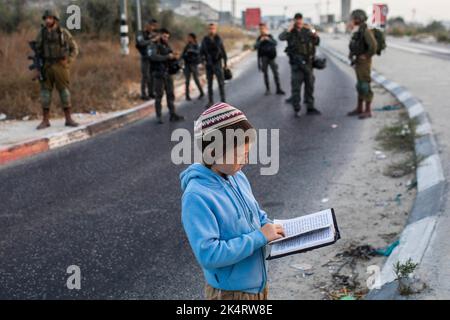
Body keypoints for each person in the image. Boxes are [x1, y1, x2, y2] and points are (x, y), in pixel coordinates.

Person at [181, 102, 285, 300]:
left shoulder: (236, 176)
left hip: (257, 286)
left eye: (248, 153)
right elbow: (209, 254)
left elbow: (255, 213)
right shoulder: (197, 196)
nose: (245, 160)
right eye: (240, 155)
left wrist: (270, 226)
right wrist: (260, 237)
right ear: (213, 153)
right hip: (230, 293)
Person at [34, 9, 79, 130]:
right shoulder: (42, 33)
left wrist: (68, 60)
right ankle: (45, 120)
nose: (47, 20)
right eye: (46, 18)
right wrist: (37, 67)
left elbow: (74, 48)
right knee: (45, 93)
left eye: (50, 18)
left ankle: (68, 119)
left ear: (55, 19)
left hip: (60, 66)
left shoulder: (63, 33)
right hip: (47, 66)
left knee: (64, 92)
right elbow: (37, 52)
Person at [279, 13, 321, 117]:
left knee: (309, 86)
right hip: (297, 65)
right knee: (296, 87)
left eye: (300, 20)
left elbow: (317, 42)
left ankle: (310, 107)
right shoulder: (291, 32)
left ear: (302, 20)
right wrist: (289, 28)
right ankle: (296, 109)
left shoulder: (307, 31)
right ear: (294, 21)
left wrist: (314, 33)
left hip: (308, 63)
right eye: (297, 20)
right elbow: (281, 37)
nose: (299, 22)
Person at [149, 28, 184, 124]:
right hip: (158, 74)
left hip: (168, 73)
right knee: (159, 96)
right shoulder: (154, 45)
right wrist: (167, 57)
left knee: (170, 95)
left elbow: (170, 56)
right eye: (164, 36)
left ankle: (172, 114)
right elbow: (153, 57)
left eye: (167, 37)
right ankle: (158, 116)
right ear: (160, 35)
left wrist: (174, 57)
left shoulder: (166, 45)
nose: (166, 38)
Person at [348, 9, 378, 119]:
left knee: (364, 84)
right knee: (360, 85)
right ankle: (359, 108)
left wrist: (366, 55)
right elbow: (355, 44)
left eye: (354, 18)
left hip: (364, 62)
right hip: (358, 61)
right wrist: (351, 54)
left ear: (358, 19)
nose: (352, 20)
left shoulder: (365, 30)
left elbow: (373, 46)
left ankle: (368, 110)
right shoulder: (358, 30)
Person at [201, 24, 228, 108]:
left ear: (215, 29)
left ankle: (223, 100)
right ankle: (210, 101)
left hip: (217, 63)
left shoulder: (218, 39)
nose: (211, 30)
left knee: (221, 82)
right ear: (208, 30)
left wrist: (225, 63)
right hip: (209, 64)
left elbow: (223, 51)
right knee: (209, 83)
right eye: (210, 29)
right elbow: (201, 51)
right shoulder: (205, 40)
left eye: (213, 28)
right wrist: (202, 61)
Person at [254, 23, 285, 96]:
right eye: (261, 29)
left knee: (275, 73)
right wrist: (261, 41)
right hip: (264, 58)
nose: (262, 30)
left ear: (266, 29)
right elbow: (255, 47)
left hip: (271, 58)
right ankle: (267, 89)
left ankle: (278, 88)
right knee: (265, 74)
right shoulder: (259, 38)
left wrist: (268, 39)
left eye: (263, 28)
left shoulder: (270, 36)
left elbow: (275, 43)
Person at [136, 19, 159, 100]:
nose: (153, 28)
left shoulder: (153, 34)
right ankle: (143, 94)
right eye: (152, 25)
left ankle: (151, 93)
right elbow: (141, 43)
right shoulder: (140, 33)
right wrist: (151, 40)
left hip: (152, 58)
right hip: (145, 57)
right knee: (145, 76)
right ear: (148, 25)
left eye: (155, 26)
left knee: (152, 76)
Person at [182, 33, 204, 101]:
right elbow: (183, 54)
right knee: (187, 81)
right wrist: (185, 54)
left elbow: (199, 52)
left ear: (193, 38)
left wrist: (192, 51)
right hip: (187, 65)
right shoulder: (187, 45)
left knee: (196, 79)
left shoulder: (196, 45)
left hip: (194, 64)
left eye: (190, 38)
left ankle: (201, 92)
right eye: (188, 38)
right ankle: (187, 95)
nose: (188, 39)